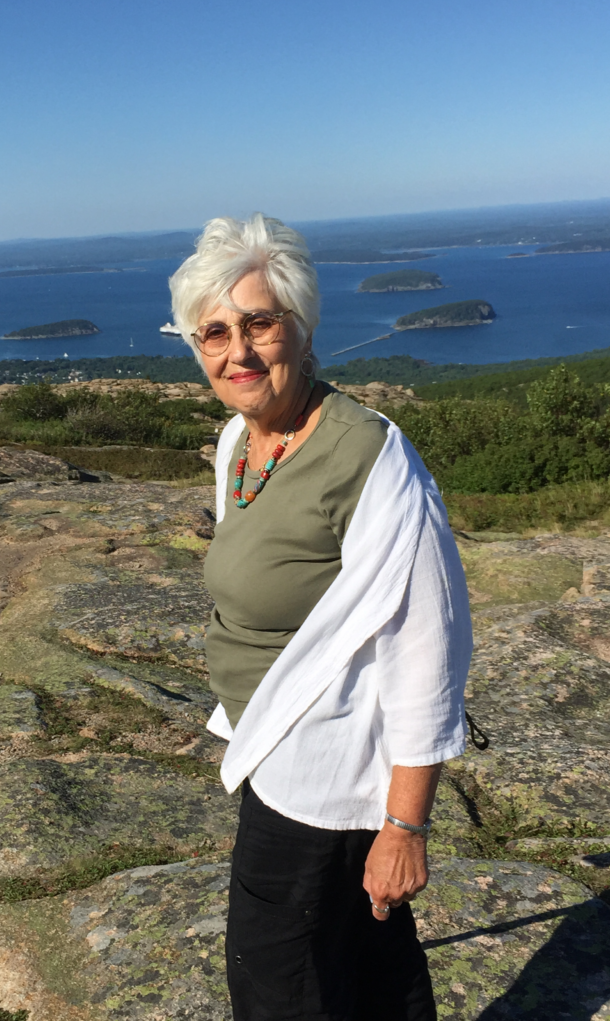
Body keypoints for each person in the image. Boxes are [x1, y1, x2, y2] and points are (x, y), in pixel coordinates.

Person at [168, 214, 472, 1021]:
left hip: (325, 774)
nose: (238, 350)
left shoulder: (370, 458)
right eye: (214, 333)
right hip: (271, 744)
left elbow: (426, 646)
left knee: (279, 982)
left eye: (260, 323)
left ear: (301, 328)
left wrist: (404, 826)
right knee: (367, 963)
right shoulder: (241, 440)